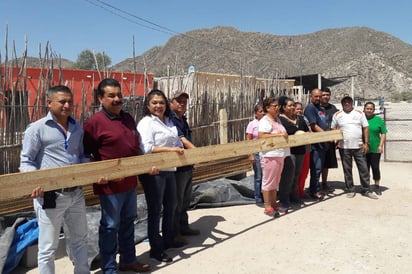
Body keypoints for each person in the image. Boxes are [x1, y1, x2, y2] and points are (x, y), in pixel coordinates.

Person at [19, 85, 90, 274]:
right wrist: (34, 182)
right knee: (48, 247)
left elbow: (80, 155)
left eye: (69, 101)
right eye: (62, 101)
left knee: (80, 240)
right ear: (49, 103)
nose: (67, 105)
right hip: (50, 196)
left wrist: (91, 167)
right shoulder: (37, 129)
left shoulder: (76, 128)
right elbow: (26, 160)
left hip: (75, 193)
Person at [83, 78, 151, 273]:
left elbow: (135, 146)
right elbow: (85, 154)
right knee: (110, 226)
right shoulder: (94, 123)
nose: (117, 99)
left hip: (130, 182)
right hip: (110, 187)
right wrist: (101, 173)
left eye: (119, 95)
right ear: (100, 99)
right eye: (111, 95)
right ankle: (109, 267)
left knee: (129, 221)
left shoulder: (128, 118)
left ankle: (128, 260)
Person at [137, 89, 185, 263]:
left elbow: (177, 141)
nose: (158, 106)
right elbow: (146, 148)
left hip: (170, 169)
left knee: (171, 206)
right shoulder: (146, 123)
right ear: (148, 105)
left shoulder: (169, 121)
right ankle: (156, 249)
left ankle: (168, 239)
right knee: (155, 210)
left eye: (161, 102)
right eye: (154, 103)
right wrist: (171, 150)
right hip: (154, 171)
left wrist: (177, 148)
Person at [331, 96, 378, 199]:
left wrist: (366, 143)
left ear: (352, 103)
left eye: (348, 102)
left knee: (364, 169)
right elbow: (333, 128)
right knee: (347, 169)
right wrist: (337, 141)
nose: (347, 104)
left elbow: (365, 128)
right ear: (342, 104)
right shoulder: (337, 115)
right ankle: (350, 189)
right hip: (344, 147)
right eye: (344, 102)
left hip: (359, 146)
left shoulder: (359, 113)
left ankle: (366, 189)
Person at [170, 90, 200, 245]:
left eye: (184, 101)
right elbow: (182, 139)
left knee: (186, 198)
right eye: (179, 101)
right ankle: (175, 232)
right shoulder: (172, 120)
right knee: (177, 200)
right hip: (179, 166)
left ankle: (183, 226)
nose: (182, 104)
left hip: (187, 164)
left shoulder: (183, 119)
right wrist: (198, 154)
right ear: (172, 102)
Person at [258, 97, 288, 217]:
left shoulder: (277, 120)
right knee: (268, 180)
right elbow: (261, 135)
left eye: (277, 106)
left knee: (275, 181)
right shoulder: (265, 121)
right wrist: (279, 135)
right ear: (267, 108)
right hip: (269, 154)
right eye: (274, 106)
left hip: (279, 154)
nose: (277, 108)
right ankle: (267, 206)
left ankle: (274, 203)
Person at [278, 97, 309, 209]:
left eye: (293, 105)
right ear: (283, 107)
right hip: (289, 151)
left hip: (300, 150)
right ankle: (284, 200)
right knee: (287, 176)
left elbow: (306, 132)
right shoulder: (280, 120)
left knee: (297, 174)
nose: (292, 107)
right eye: (290, 105)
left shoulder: (300, 118)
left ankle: (294, 196)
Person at [303, 88, 327, 200]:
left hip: (322, 143)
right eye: (316, 96)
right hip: (316, 143)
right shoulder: (310, 108)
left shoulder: (320, 108)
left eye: (319, 96)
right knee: (316, 168)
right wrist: (326, 136)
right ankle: (314, 191)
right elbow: (313, 125)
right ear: (311, 97)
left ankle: (316, 187)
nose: (318, 98)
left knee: (319, 167)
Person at [364, 102, 387, 195]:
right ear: (364, 109)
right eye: (367, 108)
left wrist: (381, 145)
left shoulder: (378, 120)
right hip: (364, 148)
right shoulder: (361, 119)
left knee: (375, 167)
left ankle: (377, 186)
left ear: (374, 110)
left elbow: (384, 133)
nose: (369, 110)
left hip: (375, 148)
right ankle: (366, 186)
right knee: (365, 168)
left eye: (371, 109)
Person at [245, 104, 265, 205]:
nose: (263, 113)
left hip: (265, 152)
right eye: (260, 111)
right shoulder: (252, 124)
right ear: (256, 113)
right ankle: (258, 197)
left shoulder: (266, 123)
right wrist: (251, 154)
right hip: (256, 152)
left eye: (263, 111)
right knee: (258, 176)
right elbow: (248, 140)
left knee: (266, 176)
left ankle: (265, 195)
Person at [320, 87, 339, 191]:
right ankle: (314, 184)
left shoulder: (334, 109)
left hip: (330, 141)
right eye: (323, 95)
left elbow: (338, 124)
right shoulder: (316, 108)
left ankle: (324, 183)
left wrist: (337, 139)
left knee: (326, 163)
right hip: (317, 140)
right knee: (316, 163)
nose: (325, 97)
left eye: (327, 95)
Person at [295, 102, 311, 198]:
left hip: (306, 148)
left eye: (301, 109)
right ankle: (295, 191)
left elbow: (308, 131)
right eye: (297, 109)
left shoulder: (304, 119)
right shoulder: (289, 120)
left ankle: (301, 190)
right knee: (296, 171)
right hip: (296, 150)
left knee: (304, 171)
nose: (299, 111)